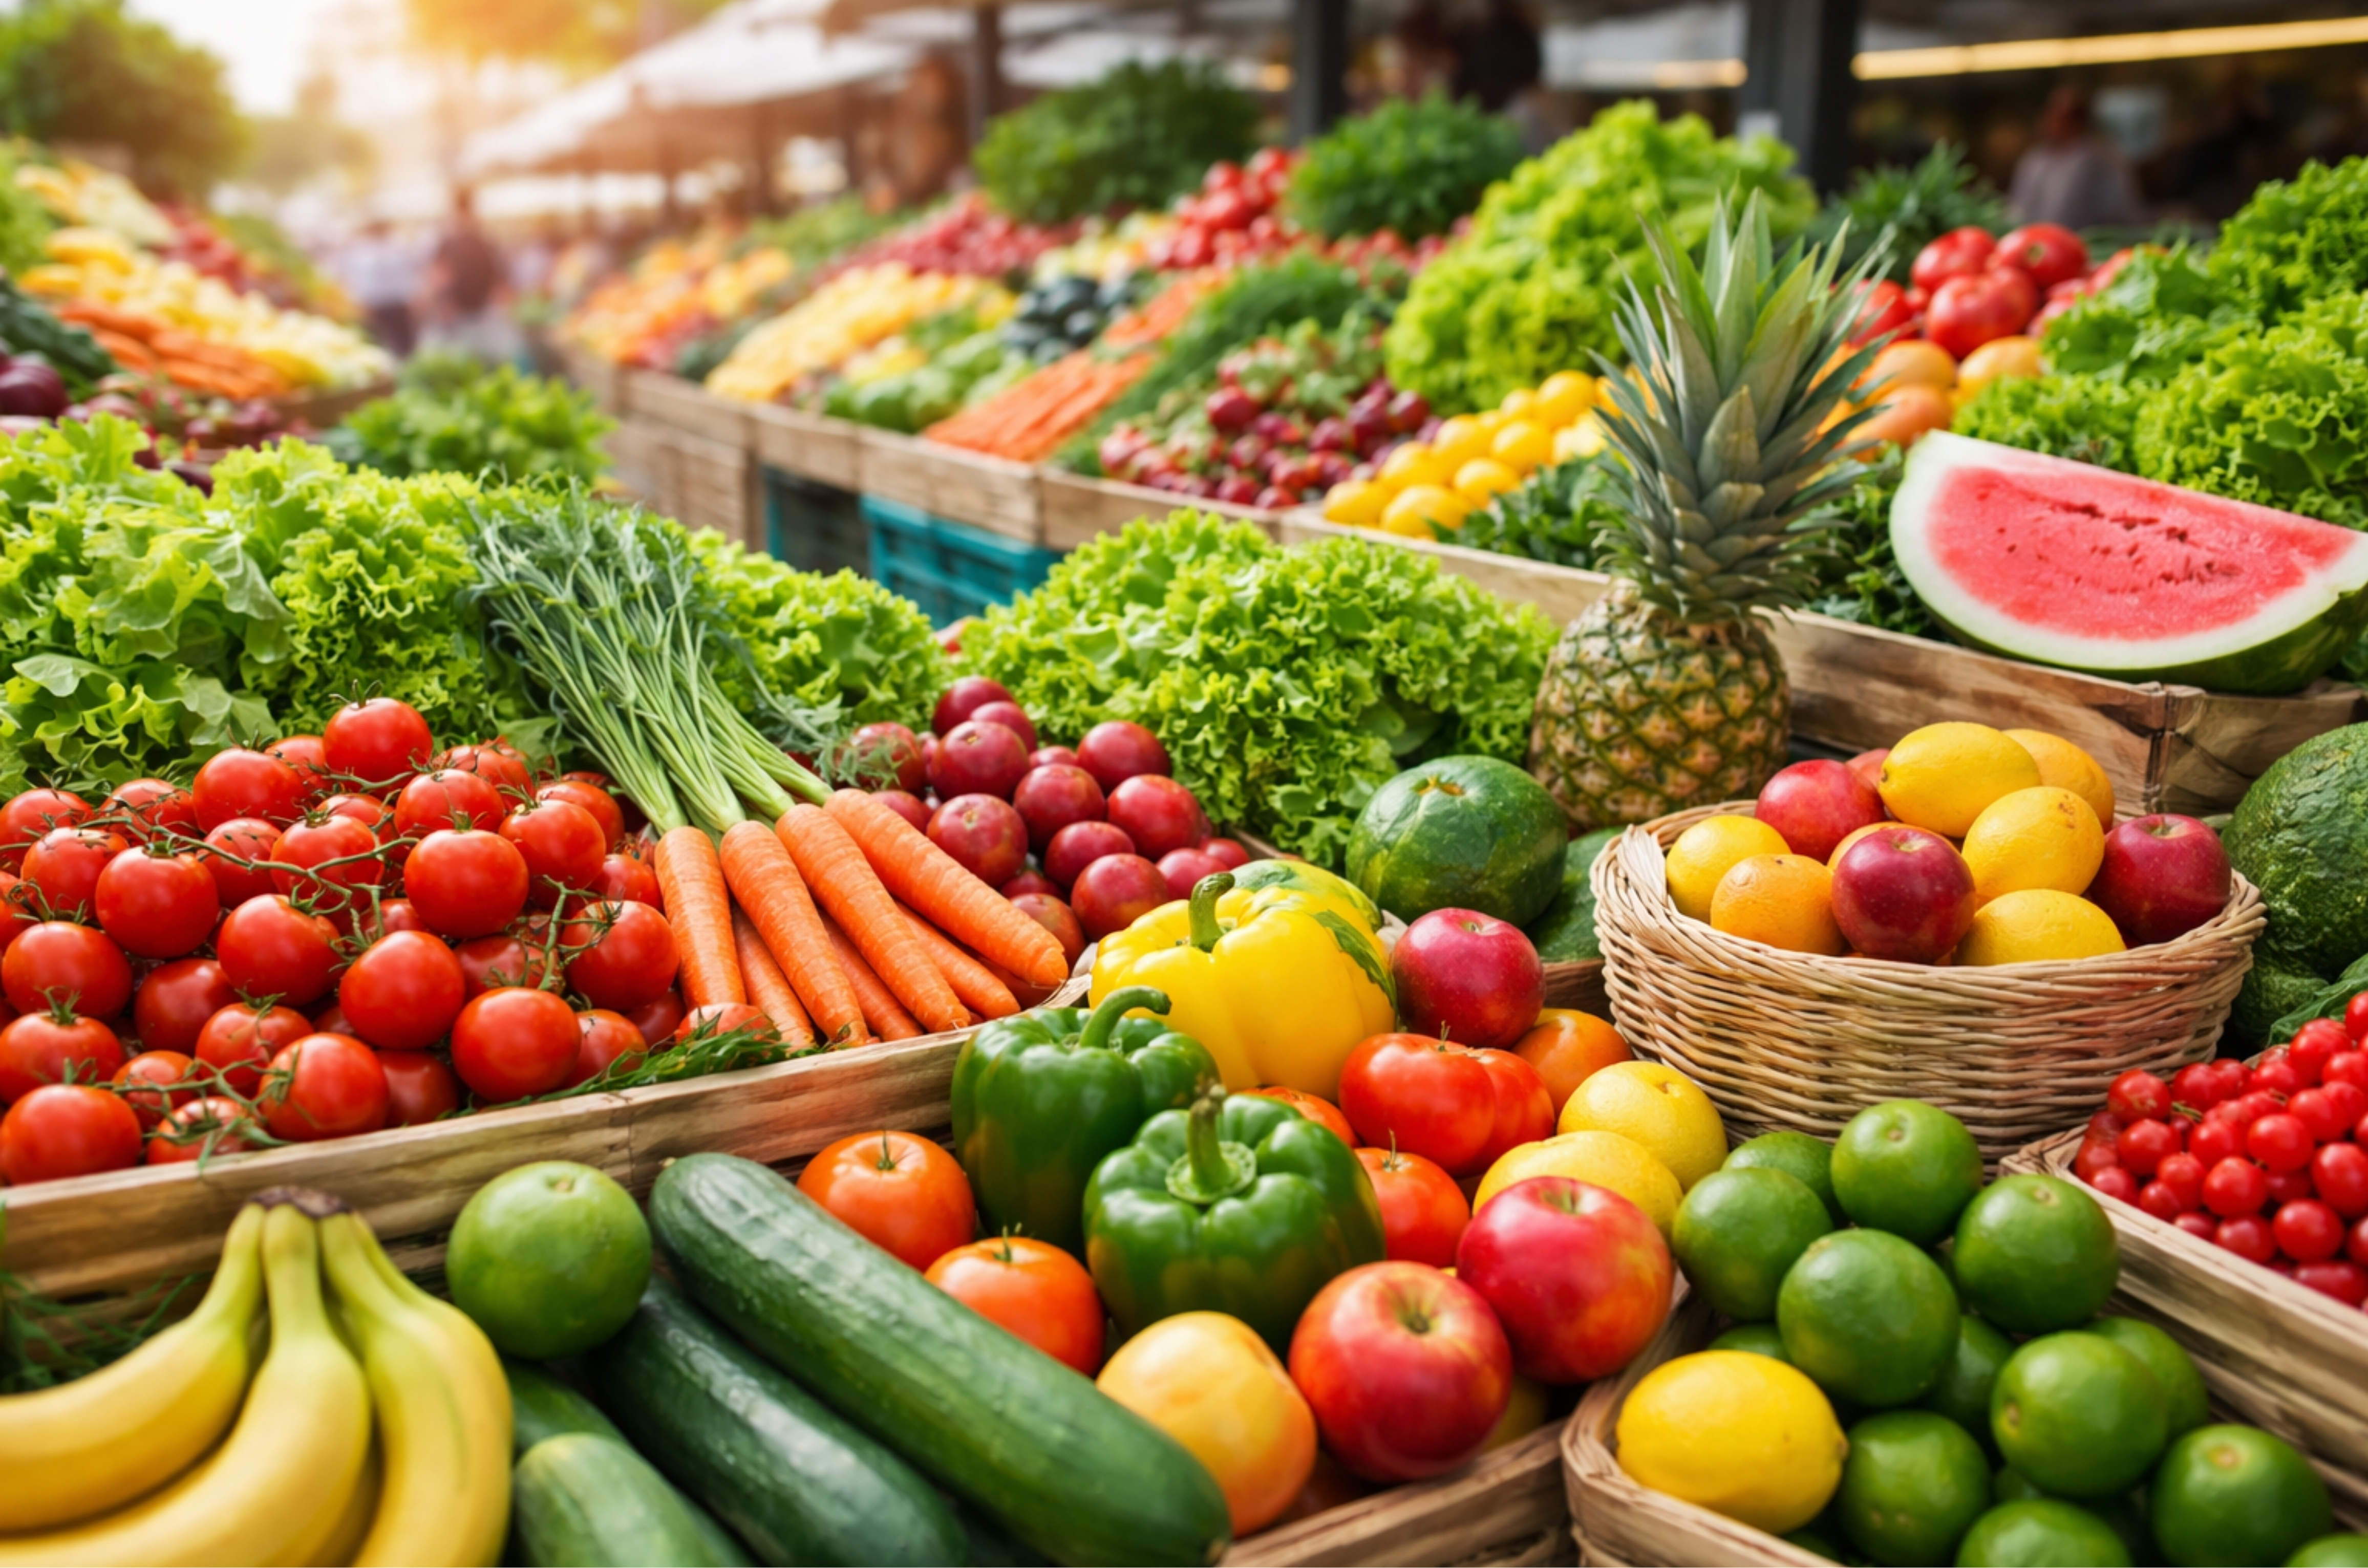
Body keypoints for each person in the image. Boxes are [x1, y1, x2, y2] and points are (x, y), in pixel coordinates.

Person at [2009, 82, 2145, 230]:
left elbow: (2122, 210)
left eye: (2065, 116)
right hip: (2035, 244)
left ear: (2082, 120)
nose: (2054, 121)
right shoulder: (2034, 159)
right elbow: (2018, 208)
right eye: (2052, 112)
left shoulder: (2102, 159)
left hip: (2090, 245)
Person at [419, 185, 519, 365]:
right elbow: (439, 275)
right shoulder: (466, 239)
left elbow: (498, 276)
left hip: (478, 309)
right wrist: (443, 302)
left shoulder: (472, 239)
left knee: (475, 357)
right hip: (465, 309)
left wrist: (441, 300)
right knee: (470, 358)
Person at [339, 219, 419, 359]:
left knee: (404, 341)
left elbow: (407, 275)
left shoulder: (396, 248)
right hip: (376, 303)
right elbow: (356, 279)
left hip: (396, 301)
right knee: (380, 342)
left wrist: (412, 297)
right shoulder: (362, 252)